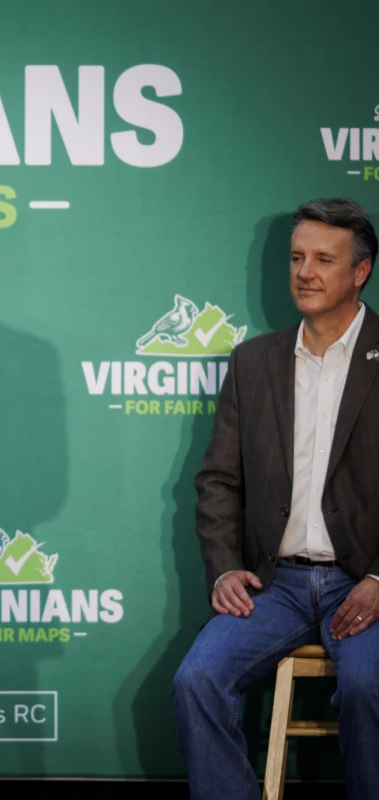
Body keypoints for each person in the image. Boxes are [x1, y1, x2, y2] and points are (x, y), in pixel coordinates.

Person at [174, 198, 379, 799]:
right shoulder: (253, 361)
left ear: (360, 271)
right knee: (197, 680)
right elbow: (218, 481)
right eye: (296, 258)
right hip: (276, 585)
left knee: (370, 689)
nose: (305, 272)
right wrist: (224, 567)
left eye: (323, 259)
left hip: (363, 582)